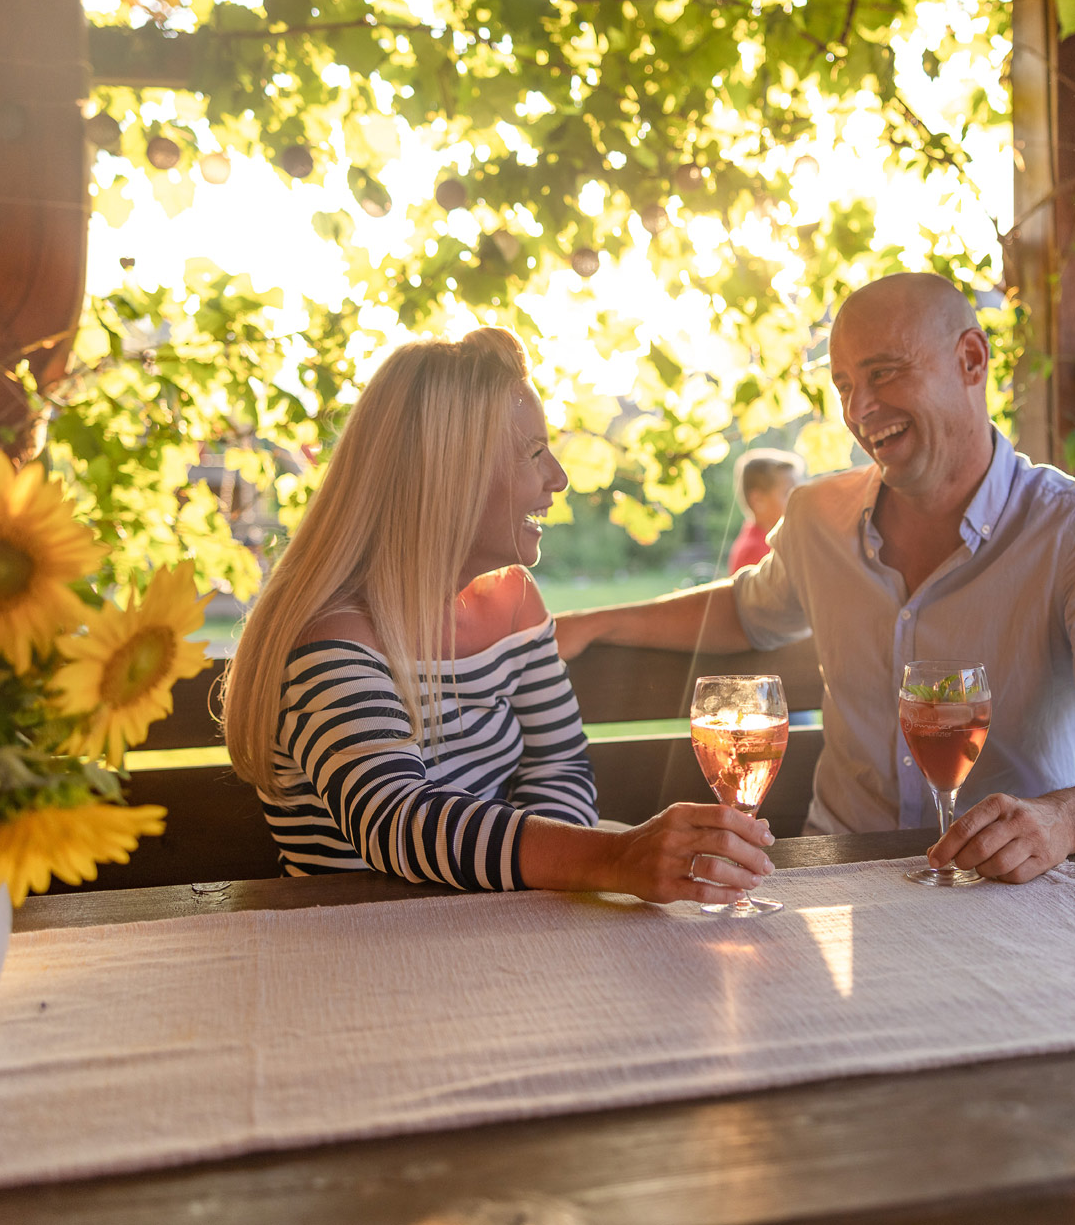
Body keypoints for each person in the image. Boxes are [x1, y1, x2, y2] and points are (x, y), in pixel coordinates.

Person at [556, 273, 1075, 884]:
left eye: (885, 373)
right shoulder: (817, 517)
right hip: (832, 880)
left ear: (971, 360)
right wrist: (597, 623)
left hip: (1008, 891)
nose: (861, 408)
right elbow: (747, 612)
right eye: (845, 384)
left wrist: (1062, 821)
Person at [223, 328, 775, 904]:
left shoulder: (513, 599)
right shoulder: (331, 634)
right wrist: (614, 858)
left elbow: (557, 766)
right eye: (535, 452)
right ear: (448, 473)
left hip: (498, 931)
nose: (557, 477)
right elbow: (395, 819)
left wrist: (546, 890)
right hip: (360, 950)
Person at [727, 448, 804, 574]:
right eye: (788, 493)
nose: (798, 500)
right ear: (758, 501)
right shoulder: (753, 551)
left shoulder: (782, 541)